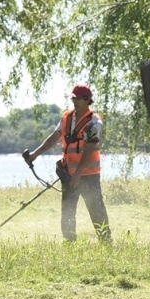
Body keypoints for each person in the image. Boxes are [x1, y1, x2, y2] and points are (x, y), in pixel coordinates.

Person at [24, 84, 112, 242]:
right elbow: (54, 137)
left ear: (87, 100)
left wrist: (78, 174)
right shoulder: (66, 118)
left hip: (88, 175)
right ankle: (69, 243)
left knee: (96, 209)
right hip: (68, 173)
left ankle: (106, 242)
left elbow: (91, 148)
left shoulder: (95, 122)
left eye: (78, 99)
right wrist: (35, 154)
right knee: (68, 210)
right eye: (73, 98)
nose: (75, 102)